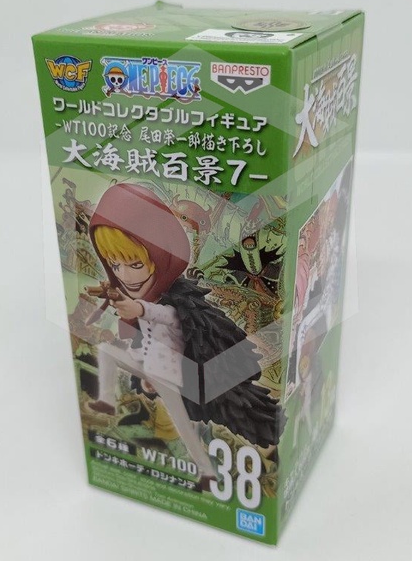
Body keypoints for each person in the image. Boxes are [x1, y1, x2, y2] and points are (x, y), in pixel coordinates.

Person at [86, 183, 286, 488]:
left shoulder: (176, 304)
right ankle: (106, 402)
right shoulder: (143, 298)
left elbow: (163, 317)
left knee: (184, 428)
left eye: (136, 264)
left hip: (171, 377)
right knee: (106, 352)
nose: (125, 275)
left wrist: (138, 309)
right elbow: (144, 333)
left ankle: (206, 472)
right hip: (149, 368)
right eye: (115, 265)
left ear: (161, 255)